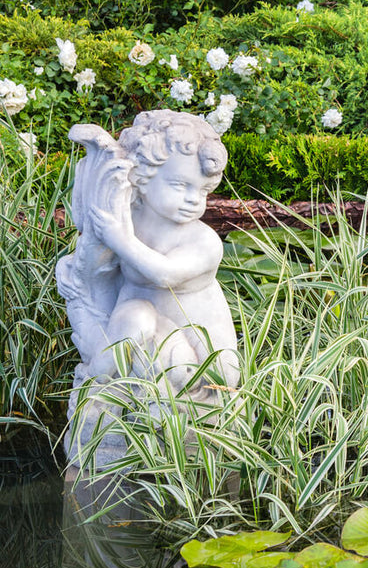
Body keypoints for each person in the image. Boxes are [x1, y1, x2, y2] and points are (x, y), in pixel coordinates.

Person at [60, 110, 239, 393]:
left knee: (137, 318)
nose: (194, 200)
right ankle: (99, 381)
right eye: (181, 185)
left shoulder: (203, 241)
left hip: (204, 365)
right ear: (143, 176)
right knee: (136, 316)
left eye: (203, 190)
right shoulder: (131, 218)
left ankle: (102, 380)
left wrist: (120, 238)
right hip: (140, 336)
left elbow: (165, 275)